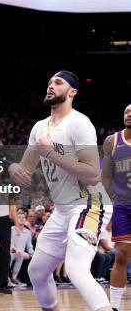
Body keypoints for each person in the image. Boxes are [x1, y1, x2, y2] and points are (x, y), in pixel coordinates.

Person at [9, 71, 113, 311]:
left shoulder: (79, 123)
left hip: (90, 203)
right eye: (49, 83)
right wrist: (15, 168)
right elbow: (25, 168)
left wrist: (51, 153)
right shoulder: (39, 128)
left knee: (76, 269)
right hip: (63, 209)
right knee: (36, 271)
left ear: (72, 92)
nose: (51, 86)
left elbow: (92, 173)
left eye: (58, 82)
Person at [102, 104, 131, 311]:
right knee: (121, 255)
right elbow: (106, 177)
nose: (129, 115)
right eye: (126, 112)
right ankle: (115, 307)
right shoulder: (112, 141)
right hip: (122, 205)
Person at [10, 208, 34, 286]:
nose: (21, 219)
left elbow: (29, 246)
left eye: (23, 218)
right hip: (11, 251)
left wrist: (33, 254)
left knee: (22, 257)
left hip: (21, 254)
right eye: (19, 218)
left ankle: (14, 278)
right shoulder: (11, 230)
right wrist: (20, 252)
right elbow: (11, 245)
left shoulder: (28, 232)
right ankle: (6, 278)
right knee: (10, 256)